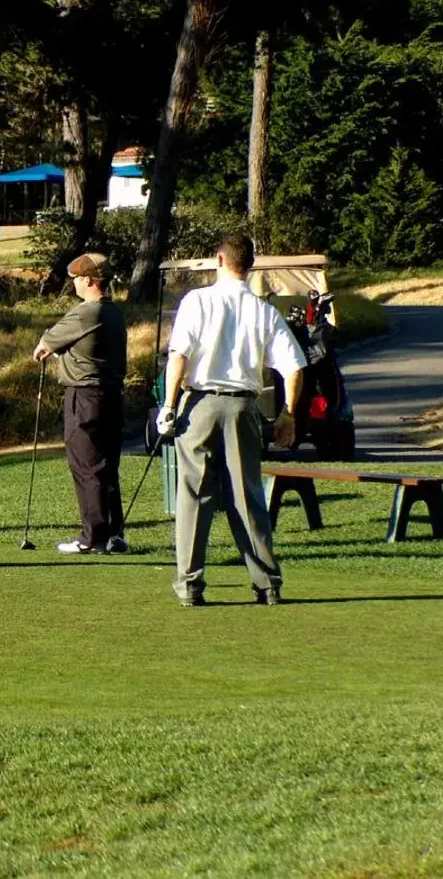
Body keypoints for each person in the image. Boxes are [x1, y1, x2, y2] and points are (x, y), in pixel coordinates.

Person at [157, 233, 306, 606]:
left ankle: (190, 585)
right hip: (244, 407)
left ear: (220, 260)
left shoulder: (197, 301)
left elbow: (179, 358)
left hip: (201, 404)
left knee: (194, 495)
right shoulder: (264, 310)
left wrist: (169, 407)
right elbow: (294, 367)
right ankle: (267, 584)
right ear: (249, 265)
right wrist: (288, 413)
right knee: (247, 495)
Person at [33, 252, 129, 555]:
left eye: (76, 278)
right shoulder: (114, 312)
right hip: (111, 395)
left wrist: (54, 348)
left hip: (84, 397)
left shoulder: (86, 312)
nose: (73, 283)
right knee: (107, 466)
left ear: (88, 280)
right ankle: (113, 535)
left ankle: (92, 538)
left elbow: (45, 343)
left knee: (86, 466)